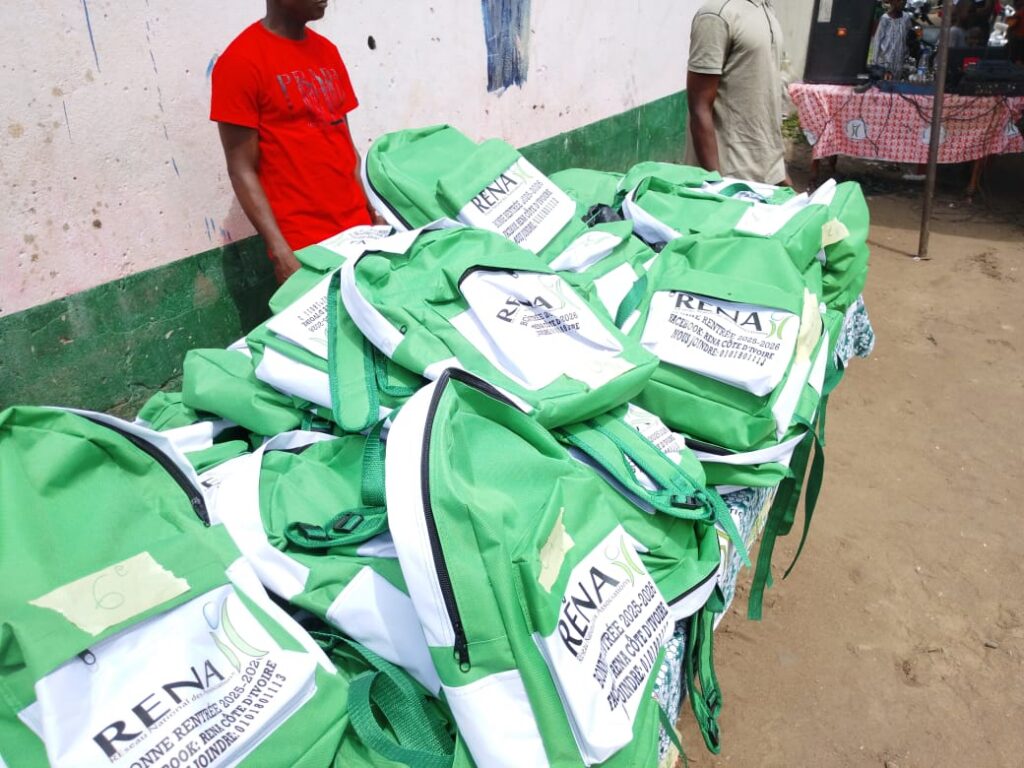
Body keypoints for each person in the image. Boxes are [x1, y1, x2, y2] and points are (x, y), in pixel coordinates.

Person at [211, 0, 378, 284]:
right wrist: (280, 252)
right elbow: (241, 170)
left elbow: (346, 145)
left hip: (360, 232)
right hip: (305, 249)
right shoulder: (240, 62)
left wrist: (372, 212)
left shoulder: (328, 52)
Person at [685, 0, 790, 186]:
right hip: (731, 176)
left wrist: (780, 175)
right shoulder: (717, 15)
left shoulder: (766, 11)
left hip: (767, 175)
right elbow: (699, 107)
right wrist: (719, 186)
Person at [870, 0, 915, 76]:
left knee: (897, 80)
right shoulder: (885, 18)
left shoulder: (906, 17)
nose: (903, 3)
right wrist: (875, 61)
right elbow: (878, 39)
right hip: (885, 59)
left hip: (899, 59)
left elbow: (908, 34)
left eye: (904, 1)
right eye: (899, 1)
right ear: (893, 2)